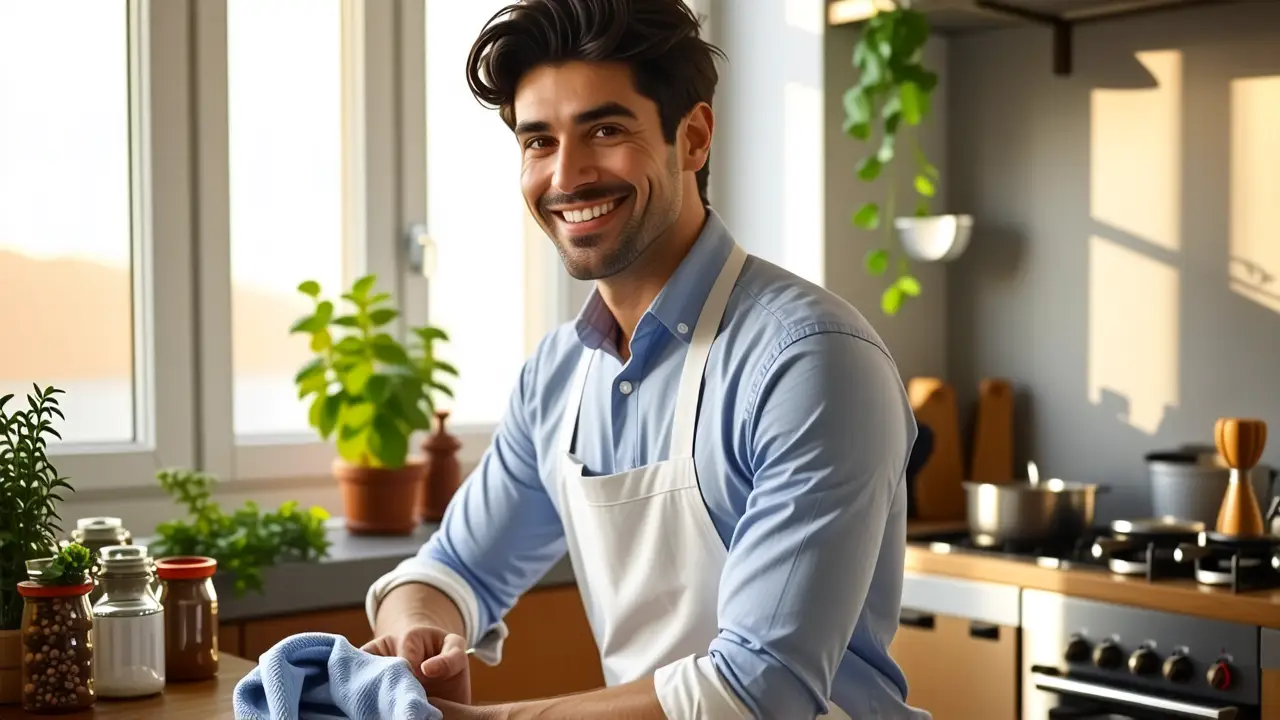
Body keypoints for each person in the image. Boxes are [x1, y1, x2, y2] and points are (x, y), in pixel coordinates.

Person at [363, 1, 927, 718]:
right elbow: (452, 569)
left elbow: (761, 688)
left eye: (604, 129)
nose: (567, 176)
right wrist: (419, 629)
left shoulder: (810, 363)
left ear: (692, 138)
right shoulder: (559, 377)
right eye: (539, 142)